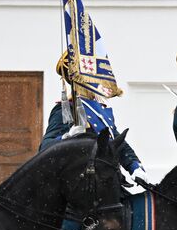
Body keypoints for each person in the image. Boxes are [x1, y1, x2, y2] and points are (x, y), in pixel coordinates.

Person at [41, 54, 146, 182]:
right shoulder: (67, 108)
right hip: (81, 182)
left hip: (108, 179)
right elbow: (46, 147)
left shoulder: (100, 109)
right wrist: (67, 137)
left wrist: (135, 167)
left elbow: (117, 143)